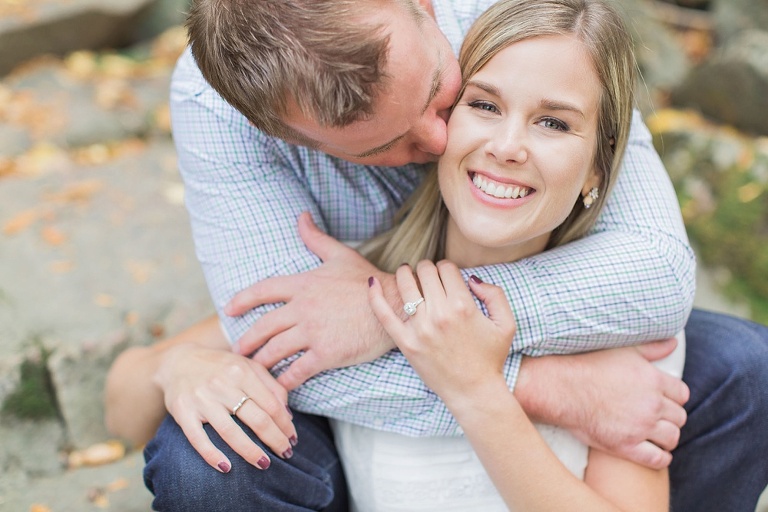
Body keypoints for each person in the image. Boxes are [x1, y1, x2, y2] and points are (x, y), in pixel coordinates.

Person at [103, 0, 768, 510]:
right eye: (375, 147)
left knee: (746, 371)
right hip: (368, 362)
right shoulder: (224, 112)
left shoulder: (524, 29)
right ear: (285, 134)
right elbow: (258, 342)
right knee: (209, 458)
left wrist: (395, 312)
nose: (442, 134)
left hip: (557, 307)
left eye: (440, 94)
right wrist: (518, 382)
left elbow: (656, 276)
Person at [334, 0, 684, 508]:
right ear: (441, 124)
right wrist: (180, 367)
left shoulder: (624, 327)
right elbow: (236, 334)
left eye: (554, 123)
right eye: (485, 106)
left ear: (595, 170)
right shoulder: (360, 279)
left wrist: (478, 387)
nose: (507, 146)